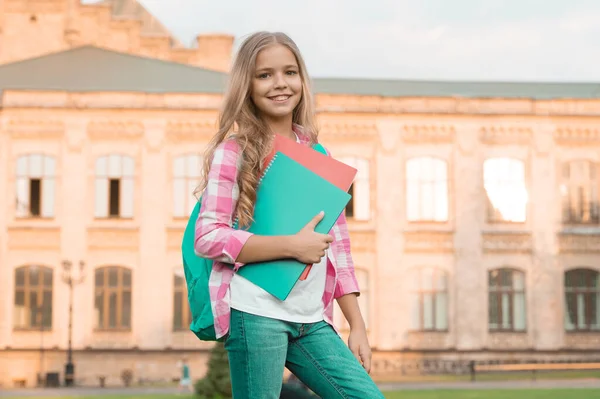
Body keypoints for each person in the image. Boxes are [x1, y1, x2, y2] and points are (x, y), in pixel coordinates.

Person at [194, 31, 384, 399]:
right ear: (246, 85)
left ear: (302, 80)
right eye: (265, 75)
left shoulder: (318, 153)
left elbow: (338, 247)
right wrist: (291, 246)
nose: (280, 84)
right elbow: (208, 236)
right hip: (255, 312)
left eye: (290, 72)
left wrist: (356, 324)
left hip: (312, 318)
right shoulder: (234, 152)